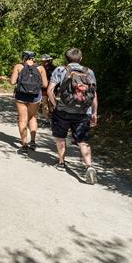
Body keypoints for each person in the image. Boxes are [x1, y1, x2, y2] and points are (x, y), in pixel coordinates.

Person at [47, 48, 98, 184]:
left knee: (61, 137)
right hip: (83, 112)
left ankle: (61, 162)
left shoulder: (60, 70)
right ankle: (89, 166)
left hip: (63, 111)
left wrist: (55, 105)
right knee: (83, 141)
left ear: (66, 58)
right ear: (80, 58)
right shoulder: (89, 72)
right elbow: (93, 94)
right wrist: (94, 113)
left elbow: (50, 90)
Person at [9, 51, 48, 151]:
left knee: (22, 119)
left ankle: (24, 144)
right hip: (35, 96)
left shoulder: (18, 66)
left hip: (21, 96)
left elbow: (12, 82)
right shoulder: (40, 68)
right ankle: (33, 141)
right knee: (33, 117)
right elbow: (45, 85)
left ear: (23, 57)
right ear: (34, 58)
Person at [39, 54, 56, 122]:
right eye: (43, 61)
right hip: (45, 88)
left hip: (51, 88)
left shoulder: (54, 68)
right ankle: (48, 119)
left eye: (45, 61)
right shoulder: (40, 68)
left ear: (49, 61)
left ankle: (51, 118)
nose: (43, 62)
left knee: (51, 103)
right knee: (45, 103)